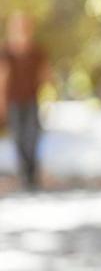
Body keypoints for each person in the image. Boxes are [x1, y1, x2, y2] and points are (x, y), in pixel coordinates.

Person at [0, 11, 50, 190]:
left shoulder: (37, 50)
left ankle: (32, 172)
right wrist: (2, 102)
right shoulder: (6, 50)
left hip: (31, 99)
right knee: (19, 137)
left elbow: (45, 75)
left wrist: (47, 97)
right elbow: (2, 77)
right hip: (13, 101)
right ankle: (24, 173)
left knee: (32, 136)